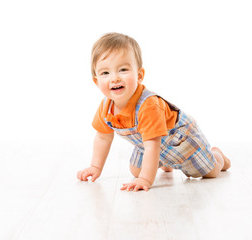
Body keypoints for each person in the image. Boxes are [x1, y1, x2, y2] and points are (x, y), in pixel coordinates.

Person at [77, 32, 231, 192]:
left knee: (210, 172)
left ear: (139, 75)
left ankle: (218, 156)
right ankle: (165, 163)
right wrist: (95, 167)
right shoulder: (105, 108)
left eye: (123, 69)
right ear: (96, 81)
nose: (114, 78)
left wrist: (145, 179)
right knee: (136, 170)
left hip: (180, 140)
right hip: (150, 144)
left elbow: (153, 145)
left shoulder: (148, 106)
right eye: (105, 73)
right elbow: (103, 138)